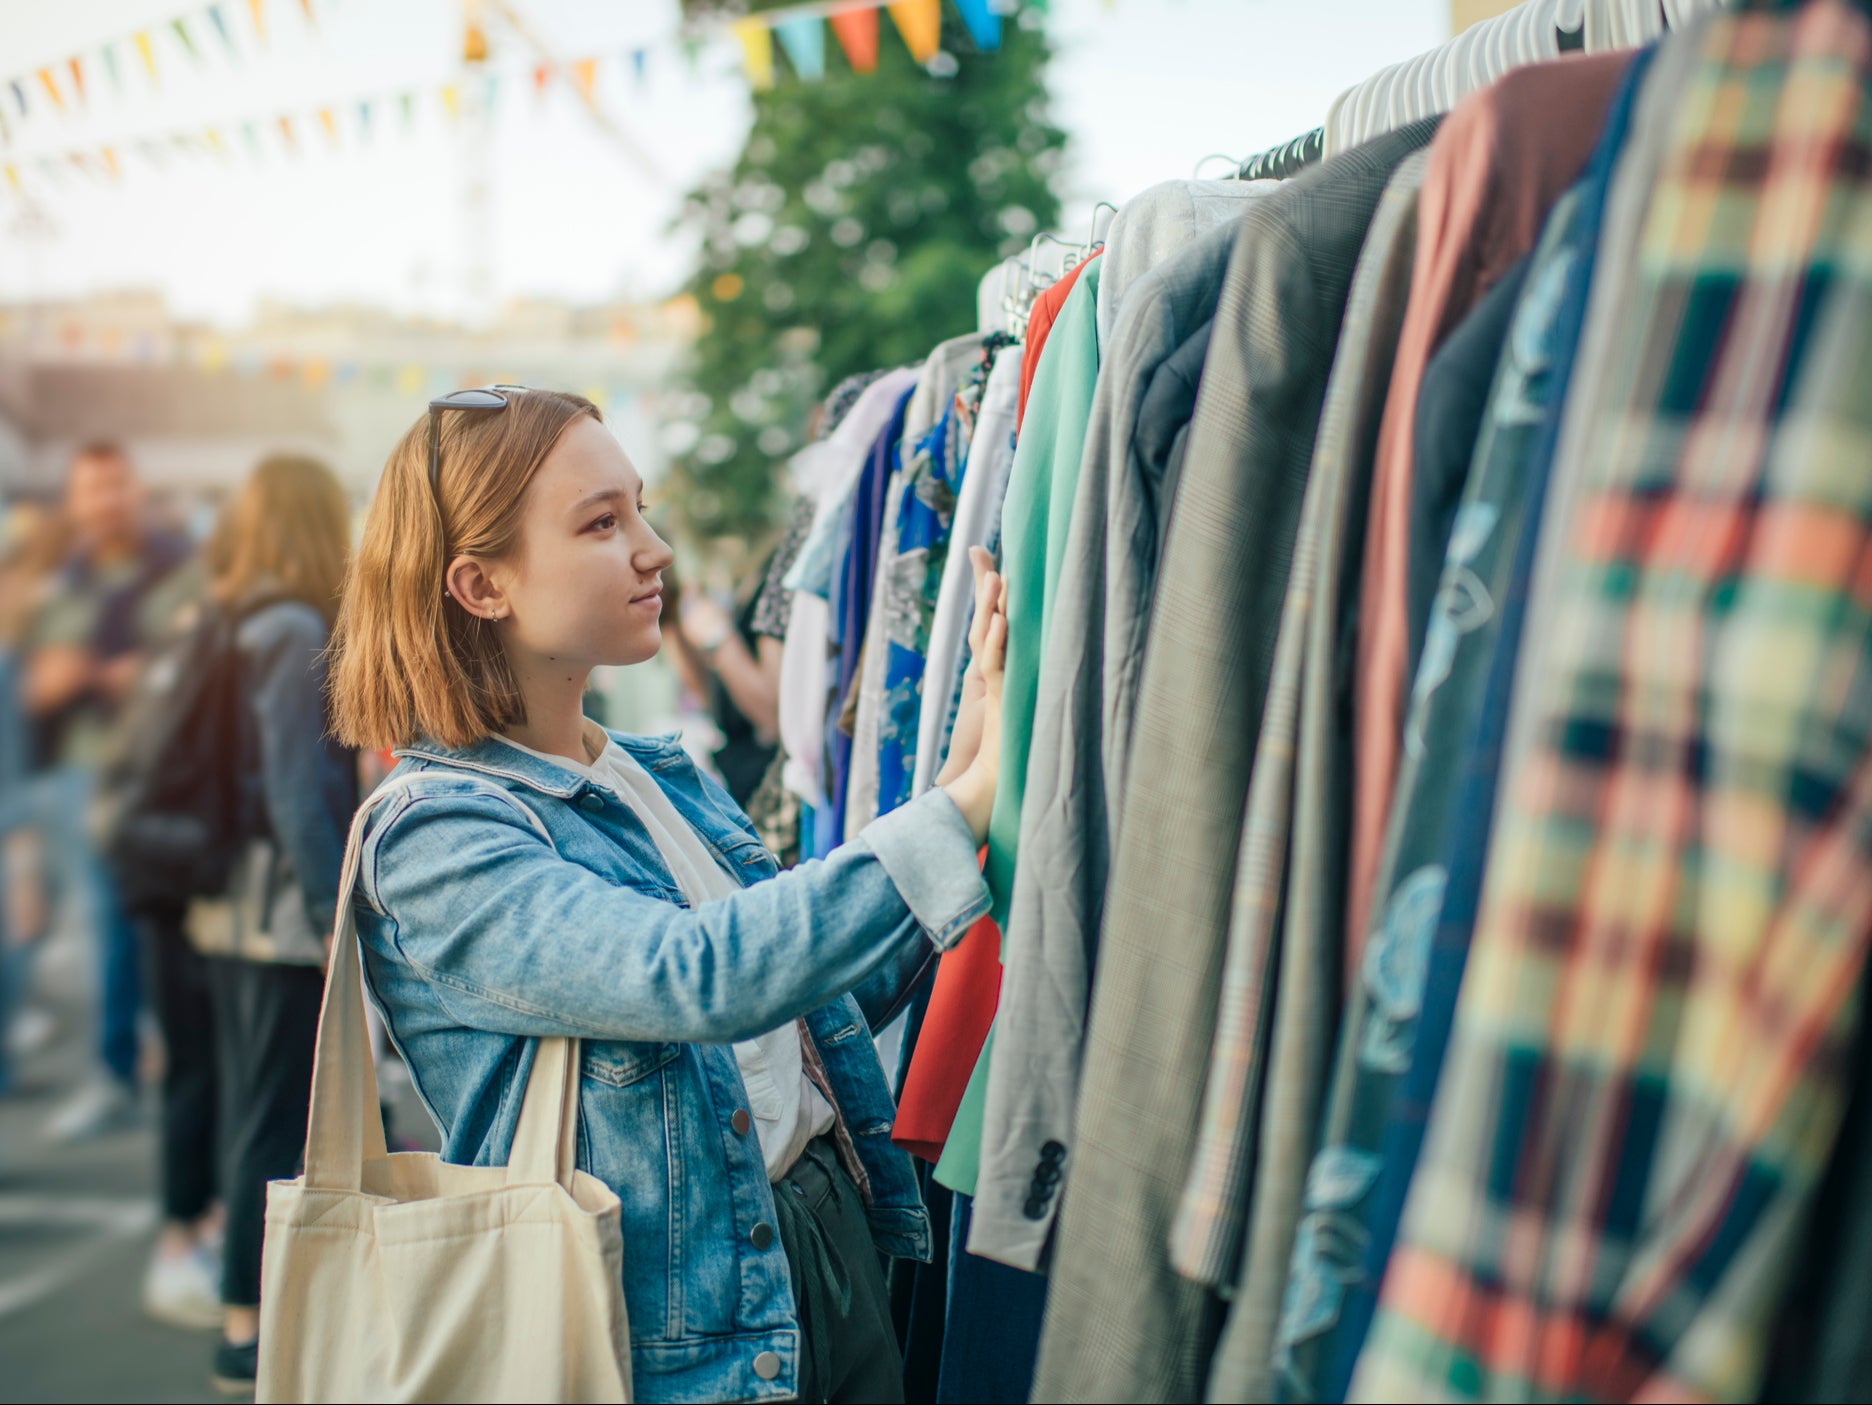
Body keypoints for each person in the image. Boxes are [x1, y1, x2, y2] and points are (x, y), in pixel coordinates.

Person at [326, 388, 1006, 1404]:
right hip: (665, 1340)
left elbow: (813, 1007)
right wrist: (954, 812)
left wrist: (967, 796)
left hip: (818, 1250)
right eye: (602, 523)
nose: (654, 549)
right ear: (480, 584)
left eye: (639, 509)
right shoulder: (435, 834)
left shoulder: (652, 771)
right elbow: (697, 976)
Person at [186, 455, 357, 1394]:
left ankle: (244, 1310)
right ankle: (248, 1326)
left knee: (251, 1105)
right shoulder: (291, 627)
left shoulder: (240, 615)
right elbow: (298, 790)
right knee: (272, 1114)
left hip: (233, 900)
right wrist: (332, 909)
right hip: (276, 907)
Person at [19, 443, 192, 1141]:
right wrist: (71, 676)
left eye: (116, 485)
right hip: (83, 773)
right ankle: (118, 1067)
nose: (105, 501)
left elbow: (188, 662)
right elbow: (39, 685)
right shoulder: (66, 580)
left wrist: (122, 671)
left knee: (162, 923)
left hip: (166, 770)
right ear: (74, 499)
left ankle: (153, 1063)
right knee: (108, 922)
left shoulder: (178, 565)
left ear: (136, 487)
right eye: (91, 489)